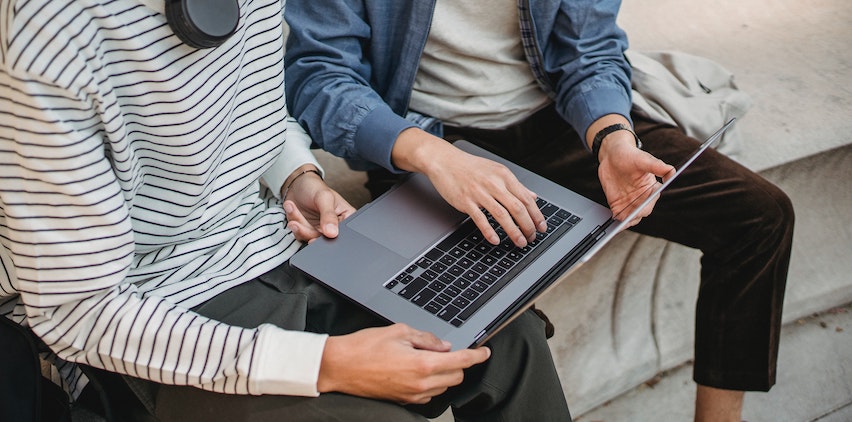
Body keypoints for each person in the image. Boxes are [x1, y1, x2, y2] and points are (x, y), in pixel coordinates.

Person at [0, 0, 571, 420]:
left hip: (282, 250)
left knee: (509, 333)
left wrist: (297, 177)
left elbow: (259, 111)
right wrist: (326, 363)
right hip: (162, 315)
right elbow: (77, 308)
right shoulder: (50, 33)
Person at [283, 1, 796, 420]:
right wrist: (434, 157)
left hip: (558, 120)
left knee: (761, 217)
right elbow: (318, 76)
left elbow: (590, 50)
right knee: (481, 318)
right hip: (427, 141)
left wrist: (613, 136)